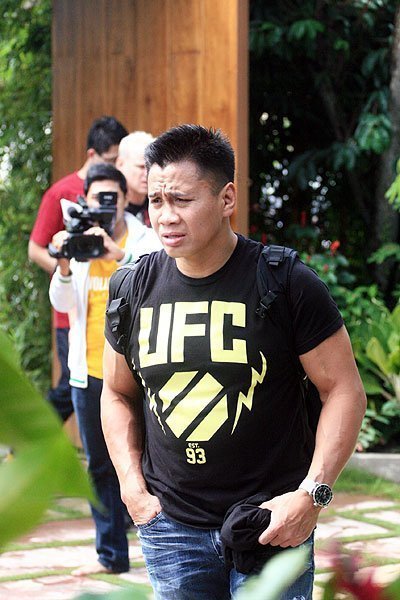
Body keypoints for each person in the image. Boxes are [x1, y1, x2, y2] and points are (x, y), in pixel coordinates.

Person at [101, 124, 366, 599]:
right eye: (156, 201)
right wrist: (131, 486)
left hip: (272, 524)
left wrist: (311, 495)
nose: (165, 216)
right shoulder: (131, 288)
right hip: (170, 530)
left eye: (182, 200)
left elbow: (343, 390)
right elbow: (117, 392)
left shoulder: (285, 282)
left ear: (226, 199)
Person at [49, 163, 161, 576]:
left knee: (150, 464)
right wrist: (64, 264)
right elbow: (62, 305)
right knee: (100, 467)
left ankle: (163, 551)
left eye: (112, 197)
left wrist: (120, 255)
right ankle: (111, 555)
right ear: (86, 200)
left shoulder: (145, 239)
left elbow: (158, 280)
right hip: (89, 373)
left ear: (125, 198)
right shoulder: (78, 242)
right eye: (97, 197)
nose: (105, 205)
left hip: (140, 372)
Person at [29, 116, 128, 422]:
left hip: (114, 307)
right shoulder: (61, 192)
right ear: (92, 155)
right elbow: (35, 249)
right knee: (72, 386)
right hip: (74, 310)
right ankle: (37, 434)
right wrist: (70, 268)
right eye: (111, 160)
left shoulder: (122, 192)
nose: (118, 166)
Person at [116, 131, 154, 225]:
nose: (147, 174)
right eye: (141, 167)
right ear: (120, 164)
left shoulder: (160, 205)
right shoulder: (112, 207)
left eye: (150, 167)